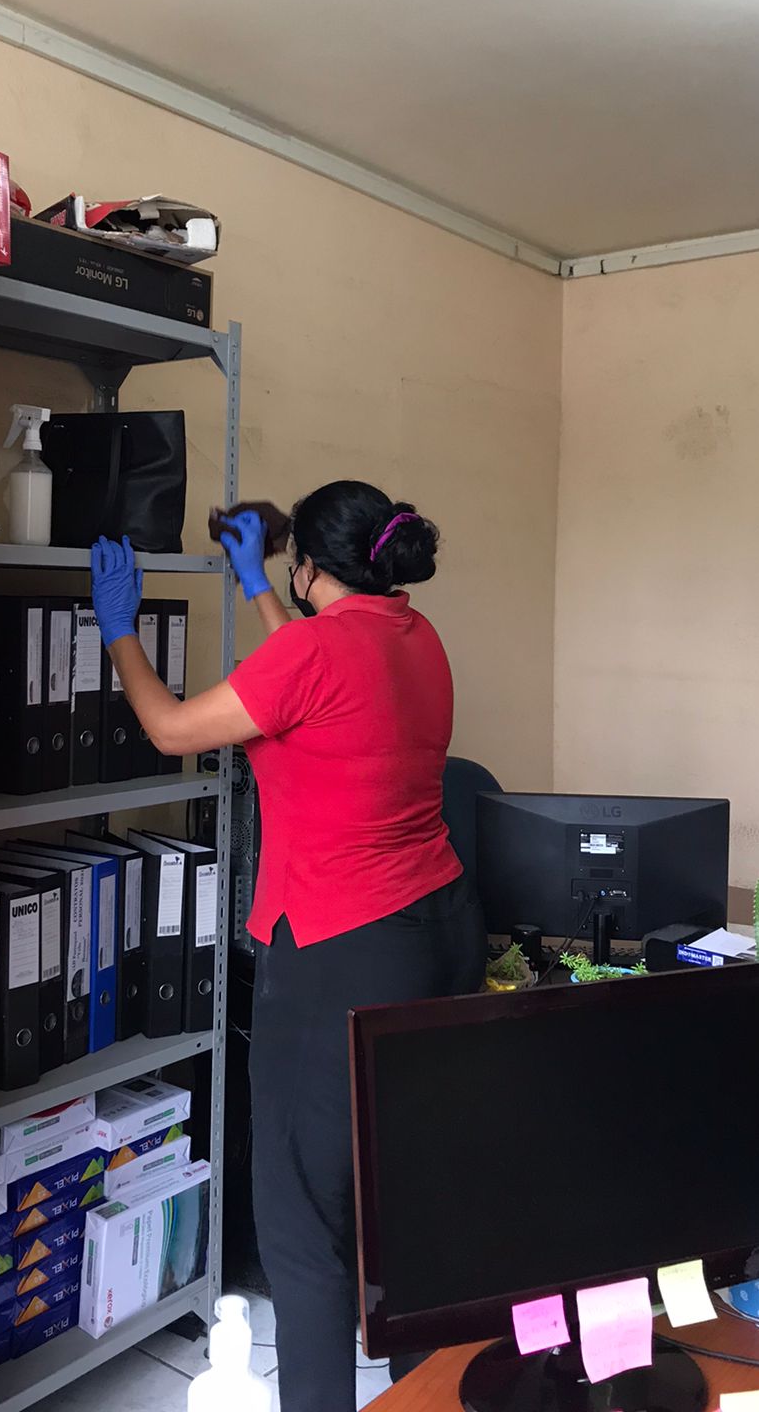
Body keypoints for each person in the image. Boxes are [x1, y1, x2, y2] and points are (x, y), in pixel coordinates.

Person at [90, 479, 486, 1412]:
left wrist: (119, 630)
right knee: (404, 1196)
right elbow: (315, 678)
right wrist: (259, 588)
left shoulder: (312, 651)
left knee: (305, 1224)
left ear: (310, 567)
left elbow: (171, 729)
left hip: (341, 949)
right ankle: (425, 1393)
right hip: (441, 932)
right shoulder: (414, 635)